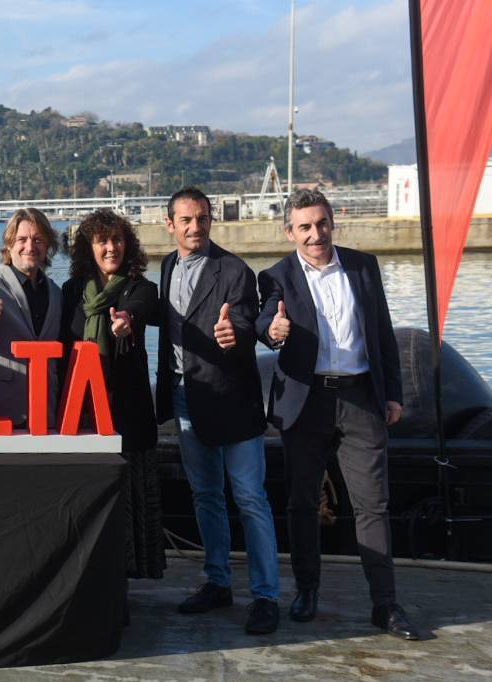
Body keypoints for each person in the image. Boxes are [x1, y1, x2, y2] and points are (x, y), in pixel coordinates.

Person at [257, 188, 420, 640]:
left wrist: (393, 394)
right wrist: (273, 331)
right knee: (303, 503)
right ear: (290, 232)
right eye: (305, 227)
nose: (315, 234)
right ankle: (307, 590)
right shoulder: (274, 276)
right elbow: (264, 322)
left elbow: (382, 334)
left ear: (333, 222)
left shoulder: (364, 266)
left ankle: (384, 605)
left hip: (361, 398)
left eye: (322, 223)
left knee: (373, 504)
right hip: (305, 403)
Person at [155, 186, 280, 635]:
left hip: (233, 400)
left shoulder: (234, 269)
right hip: (187, 399)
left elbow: (246, 321)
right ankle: (218, 582)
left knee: (249, 498)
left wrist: (235, 335)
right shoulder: (168, 266)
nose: (195, 227)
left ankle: (266, 596)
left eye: (203, 218)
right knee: (205, 496)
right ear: (169, 224)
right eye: (186, 220)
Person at [59, 209, 164, 579]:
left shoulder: (141, 288)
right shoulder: (71, 293)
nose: (111, 247)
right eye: (102, 241)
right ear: (89, 248)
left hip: (126, 416)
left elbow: (138, 309)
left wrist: (126, 323)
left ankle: (125, 584)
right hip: (82, 413)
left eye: (118, 239)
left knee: (127, 503)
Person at [0, 207, 62, 427]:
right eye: (22, 239)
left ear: (47, 245)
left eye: (38, 240)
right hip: (2, 409)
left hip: (46, 410)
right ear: (9, 244)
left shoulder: (56, 292)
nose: (30, 247)